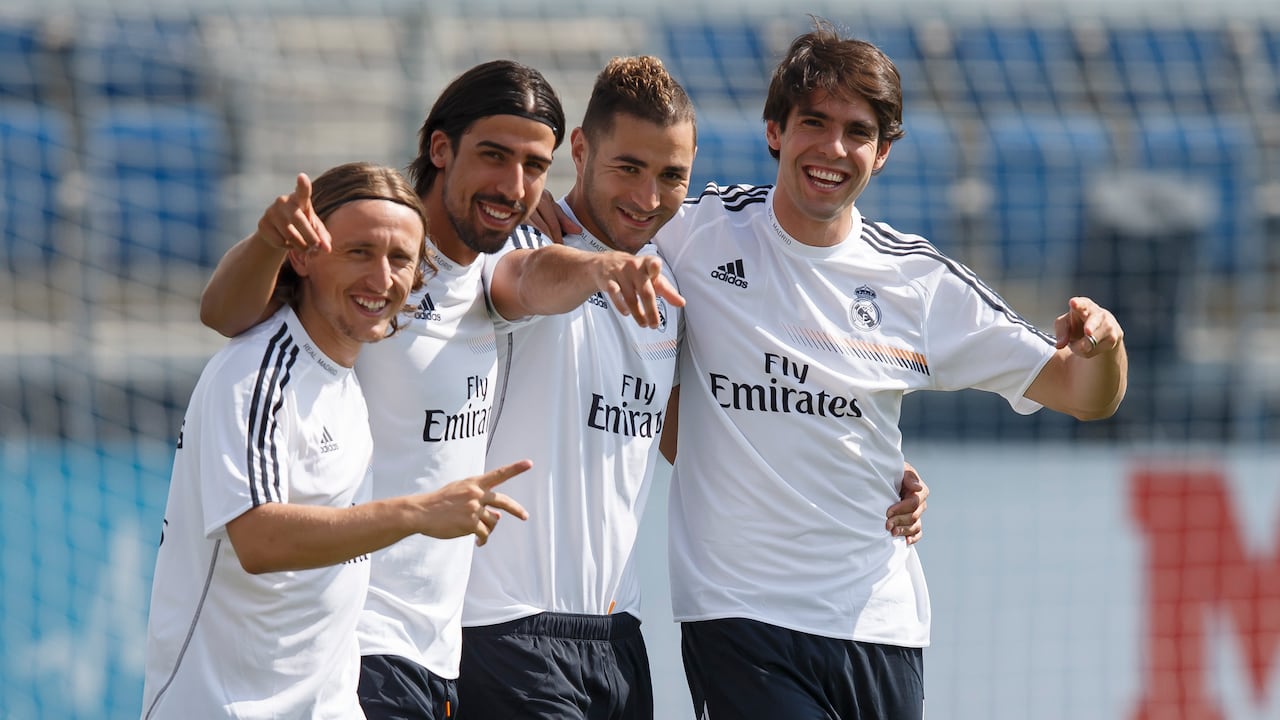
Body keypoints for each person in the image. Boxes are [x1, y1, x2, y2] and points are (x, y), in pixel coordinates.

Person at [650, 19, 1129, 720]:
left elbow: (1086, 397)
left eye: (858, 132)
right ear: (774, 130)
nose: (832, 148)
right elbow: (585, 226)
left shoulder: (918, 282)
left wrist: (1107, 347)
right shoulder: (694, 234)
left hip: (880, 622)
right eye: (814, 121)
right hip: (738, 615)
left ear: (884, 154)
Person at [197, 61, 682, 720]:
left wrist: (601, 266)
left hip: (438, 657)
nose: (513, 185)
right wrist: (265, 243)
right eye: (494, 156)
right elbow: (227, 316)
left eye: (532, 167)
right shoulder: (376, 269)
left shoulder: (488, 274)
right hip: (359, 646)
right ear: (440, 148)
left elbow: (536, 273)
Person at [457, 56, 929, 719]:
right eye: (628, 168)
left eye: (671, 176)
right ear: (582, 150)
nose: (649, 198)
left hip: (617, 638)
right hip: (501, 627)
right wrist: (595, 264)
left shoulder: (669, 279)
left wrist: (868, 469)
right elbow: (531, 275)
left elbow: (695, 433)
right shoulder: (518, 245)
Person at [141, 161, 531, 719]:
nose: (382, 278)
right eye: (359, 252)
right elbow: (259, 540)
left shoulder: (345, 380)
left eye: (400, 259)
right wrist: (419, 512)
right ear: (303, 256)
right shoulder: (257, 371)